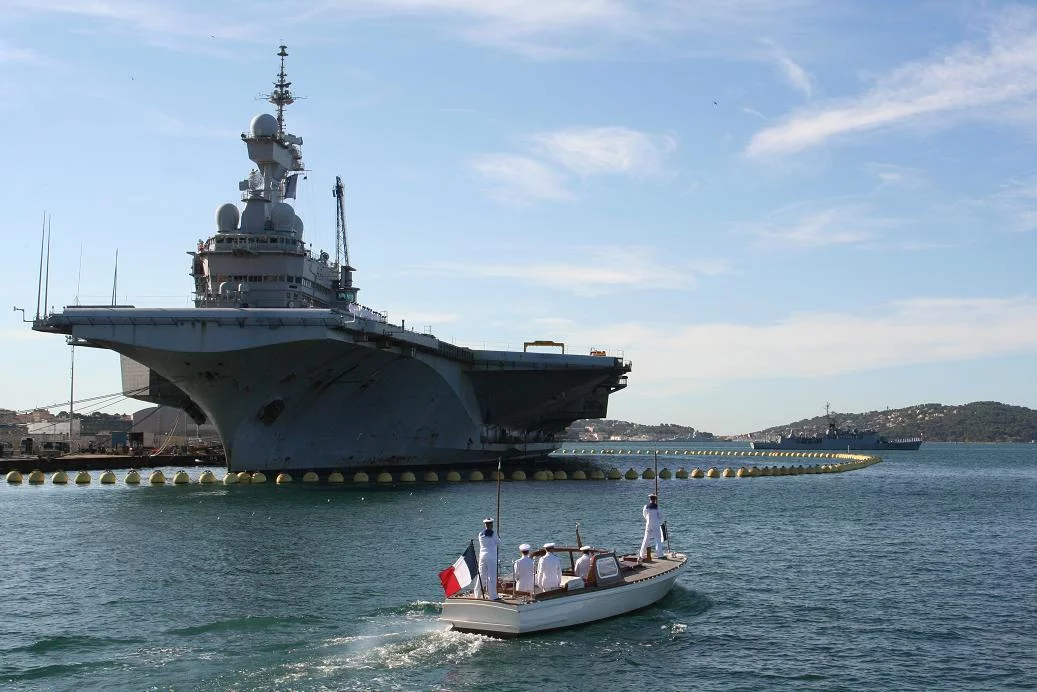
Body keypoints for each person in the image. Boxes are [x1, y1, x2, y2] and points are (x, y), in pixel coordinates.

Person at [474, 518, 502, 600]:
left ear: (485, 525)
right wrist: (498, 537)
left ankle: (477, 594)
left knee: (481, 575)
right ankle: (493, 596)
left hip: (482, 556)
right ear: (491, 525)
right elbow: (499, 543)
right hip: (491, 557)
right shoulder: (493, 534)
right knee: (491, 576)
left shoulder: (480, 534)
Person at [640, 493, 665, 560]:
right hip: (656, 525)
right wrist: (660, 523)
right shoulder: (657, 507)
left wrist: (648, 520)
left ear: (650, 499)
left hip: (648, 524)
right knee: (657, 539)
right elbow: (661, 517)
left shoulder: (646, 506)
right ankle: (659, 554)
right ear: (655, 499)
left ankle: (641, 554)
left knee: (646, 539)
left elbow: (644, 515)